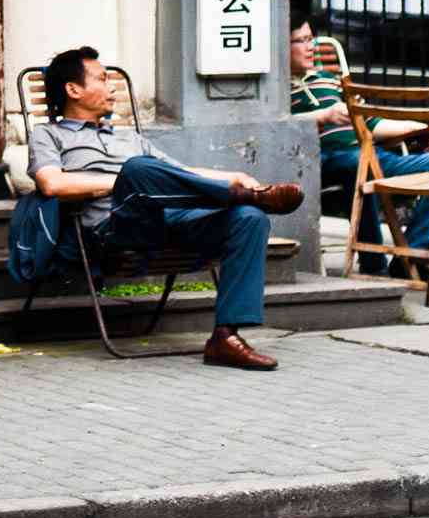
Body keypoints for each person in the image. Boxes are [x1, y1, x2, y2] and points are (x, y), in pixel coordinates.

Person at [29, 47, 305, 372]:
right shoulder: (48, 135)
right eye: (103, 79)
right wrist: (120, 181)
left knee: (249, 218)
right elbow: (52, 185)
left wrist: (234, 177)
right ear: (73, 90)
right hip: (114, 228)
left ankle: (225, 337)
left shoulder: (129, 138)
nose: (112, 87)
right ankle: (237, 196)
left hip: (169, 220)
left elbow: (182, 176)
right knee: (138, 170)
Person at [288, 21, 429, 285]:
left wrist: (421, 129)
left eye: (312, 39)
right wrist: (324, 115)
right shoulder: (273, 90)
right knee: (357, 164)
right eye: (302, 41)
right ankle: (372, 263)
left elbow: (372, 123)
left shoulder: (330, 81)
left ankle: (413, 258)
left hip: (370, 155)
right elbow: (279, 125)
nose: (311, 47)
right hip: (325, 160)